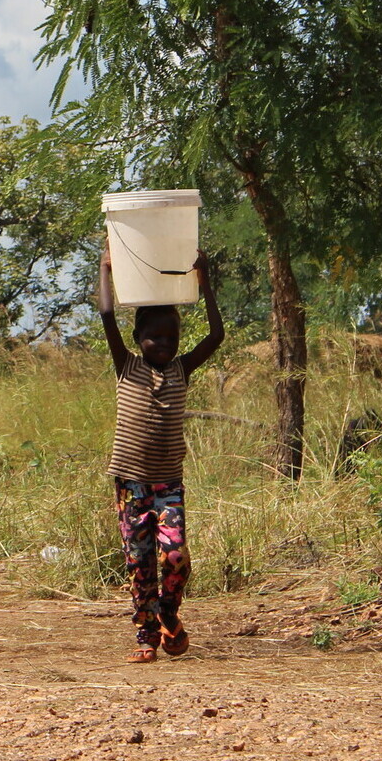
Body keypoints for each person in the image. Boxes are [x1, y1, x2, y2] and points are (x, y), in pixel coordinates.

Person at [98, 242, 224, 663]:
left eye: (172, 337)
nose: (165, 343)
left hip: (169, 484)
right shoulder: (127, 366)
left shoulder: (182, 369)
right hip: (131, 486)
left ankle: (169, 610)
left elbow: (217, 336)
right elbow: (106, 314)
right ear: (138, 340)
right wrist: (106, 268)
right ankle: (147, 639)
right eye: (155, 336)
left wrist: (205, 285)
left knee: (174, 554)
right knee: (139, 563)